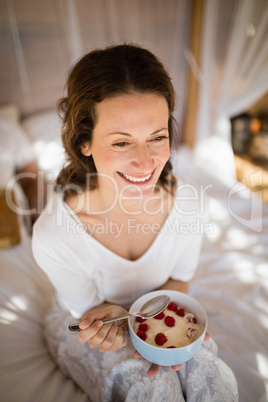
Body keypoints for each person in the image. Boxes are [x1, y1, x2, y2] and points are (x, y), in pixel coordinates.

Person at [32, 44, 238, 401]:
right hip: (89, 324)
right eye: (122, 142)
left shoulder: (190, 204)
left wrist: (164, 335)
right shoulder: (55, 234)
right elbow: (87, 315)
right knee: (153, 386)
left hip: (160, 309)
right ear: (84, 142)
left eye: (157, 137)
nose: (145, 163)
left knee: (208, 372)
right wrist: (114, 321)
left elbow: (179, 281)